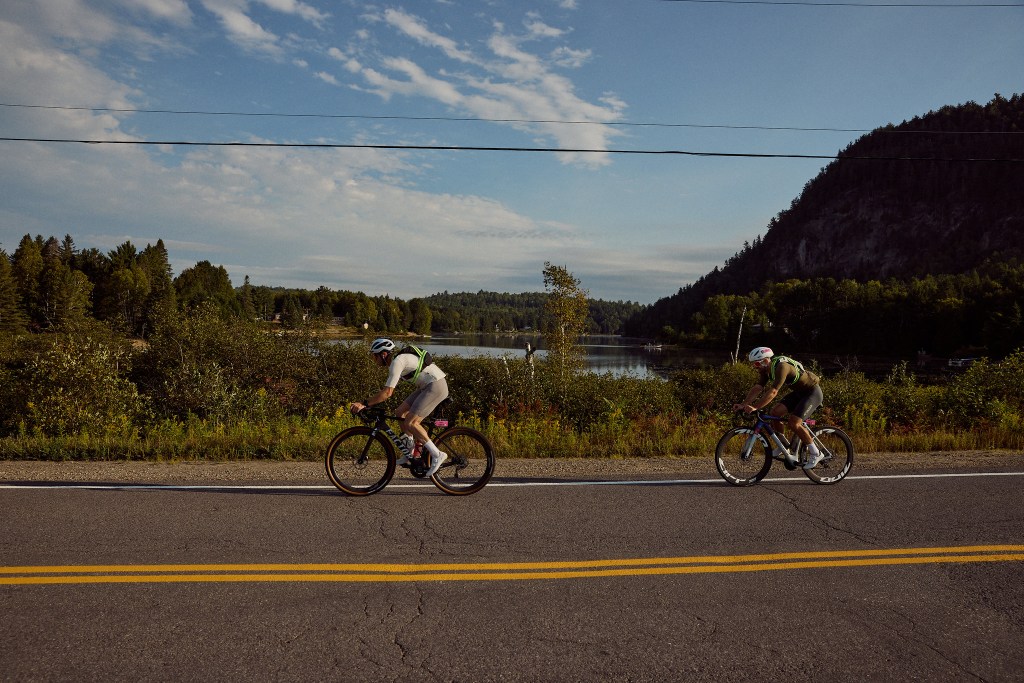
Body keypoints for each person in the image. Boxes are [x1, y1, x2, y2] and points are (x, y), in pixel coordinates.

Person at [350, 338, 449, 477]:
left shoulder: (397, 362)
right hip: (426, 386)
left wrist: (364, 403)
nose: (373, 359)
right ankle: (410, 451)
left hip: (436, 386)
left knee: (412, 422)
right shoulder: (397, 361)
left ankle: (437, 454)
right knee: (400, 412)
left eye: (374, 356)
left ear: (383, 354)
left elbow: (387, 393)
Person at [733, 346, 825, 469]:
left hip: (812, 393)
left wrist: (755, 407)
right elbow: (758, 388)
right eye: (754, 364)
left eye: (756, 364)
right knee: (775, 413)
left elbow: (773, 392)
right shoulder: (766, 370)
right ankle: (785, 446)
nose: (755, 367)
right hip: (799, 393)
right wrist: (744, 404)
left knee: (794, 422)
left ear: (765, 361)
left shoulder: (782, 367)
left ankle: (816, 453)